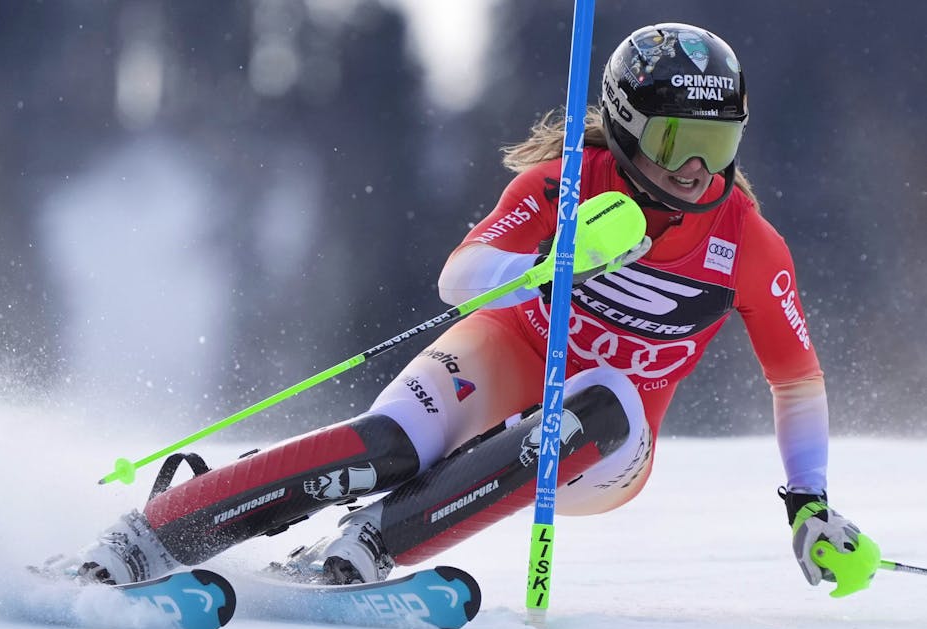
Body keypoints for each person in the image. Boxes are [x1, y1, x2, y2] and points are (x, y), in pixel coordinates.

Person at [47, 23, 879, 597]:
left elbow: (796, 378)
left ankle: (370, 546)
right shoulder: (565, 184)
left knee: (597, 407)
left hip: (608, 441)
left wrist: (807, 504)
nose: (699, 174)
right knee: (388, 447)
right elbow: (461, 277)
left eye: (718, 147)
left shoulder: (749, 245)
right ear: (626, 128)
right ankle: (150, 534)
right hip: (510, 348)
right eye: (676, 146)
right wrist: (554, 260)